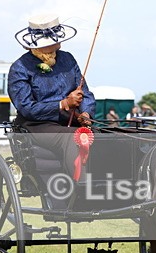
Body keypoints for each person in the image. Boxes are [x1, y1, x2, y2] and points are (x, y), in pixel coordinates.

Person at [8, 13, 95, 178]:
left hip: (72, 119)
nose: (58, 43)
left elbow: (85, 91)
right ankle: (82, 187)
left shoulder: (68, 59)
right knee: (72, 137)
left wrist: (86, 113)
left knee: (106, 134)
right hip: (36, 125)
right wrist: (62, 104)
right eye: (51, 41)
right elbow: (26, 107)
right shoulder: (20, 68)